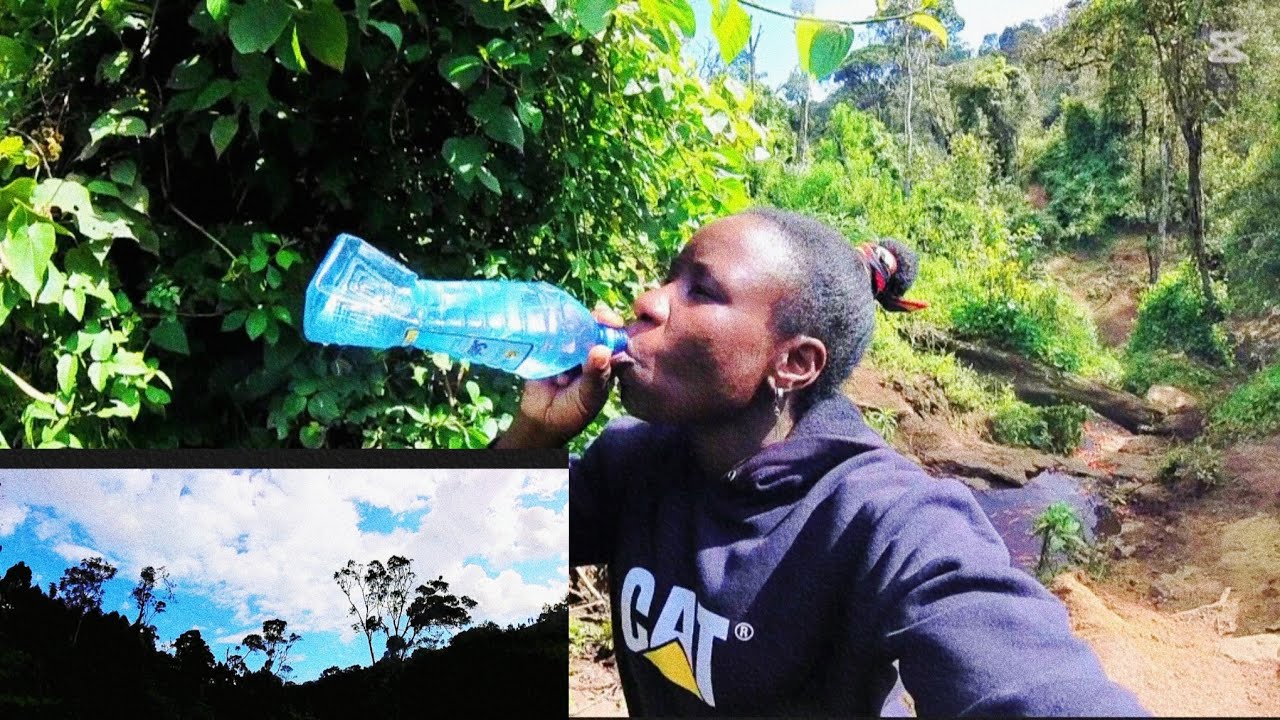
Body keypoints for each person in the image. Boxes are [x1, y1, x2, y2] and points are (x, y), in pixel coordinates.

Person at [495, 207, 1150, 717]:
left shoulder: (886, 517)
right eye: (670, 275)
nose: (649, 299)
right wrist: (532, 434)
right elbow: (466, 562)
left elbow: (1025, 677)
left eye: (700, 290)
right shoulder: (636, 462)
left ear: (794, 362)